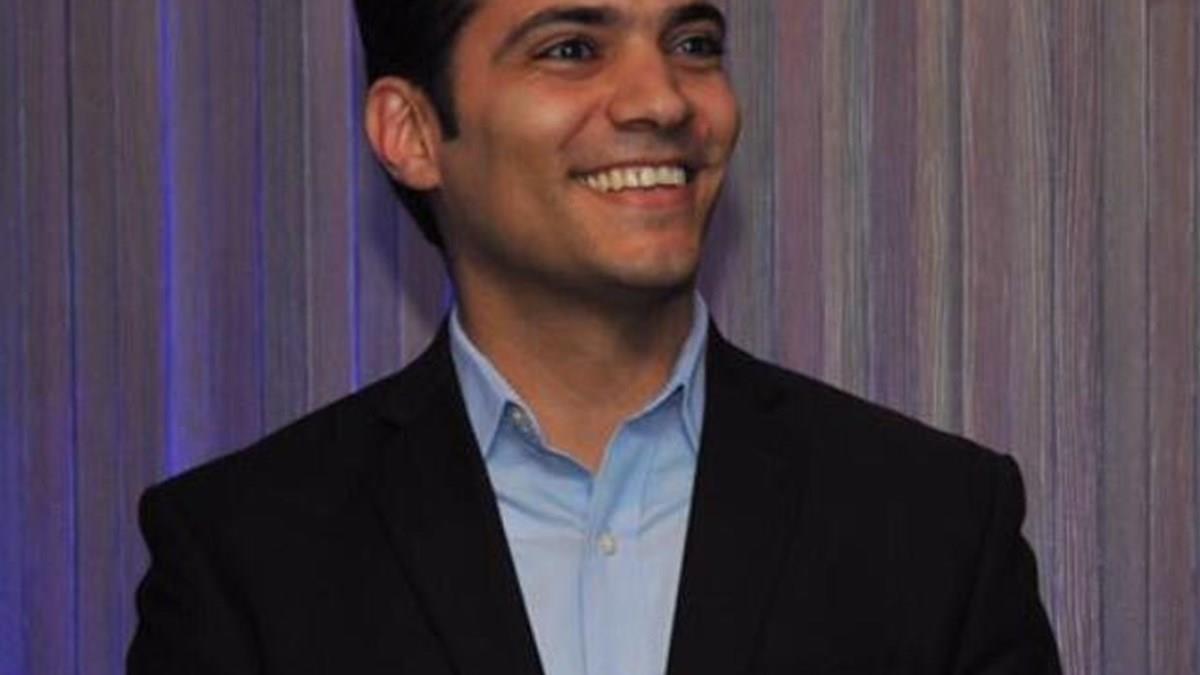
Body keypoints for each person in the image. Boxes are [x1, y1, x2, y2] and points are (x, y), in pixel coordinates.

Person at [127, 0, 1063, 673]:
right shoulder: (245, 558)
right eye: (572, 47)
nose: (663, 100)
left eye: (693, 43)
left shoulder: (936, 527)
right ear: (411, 131)